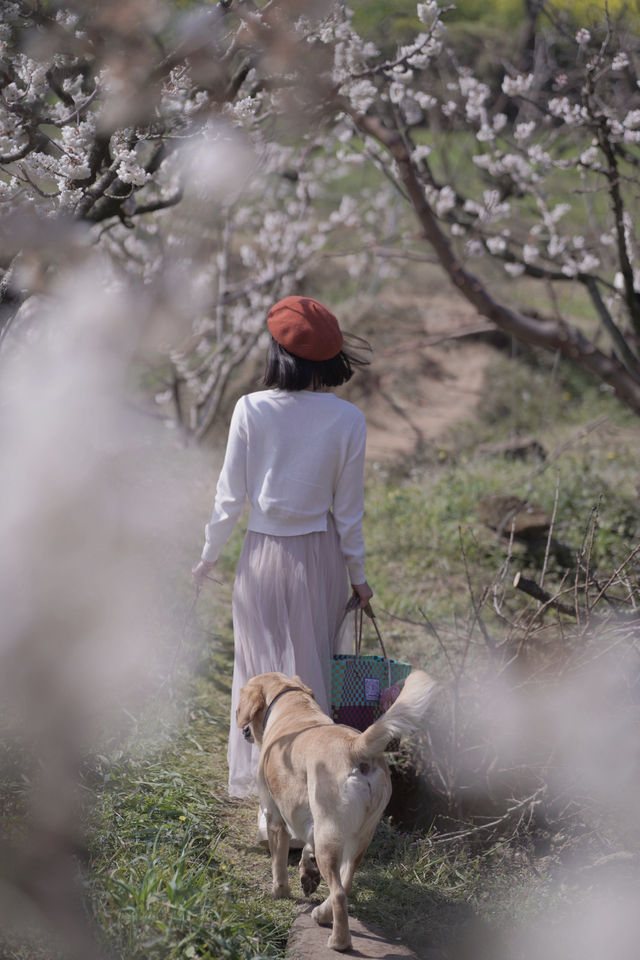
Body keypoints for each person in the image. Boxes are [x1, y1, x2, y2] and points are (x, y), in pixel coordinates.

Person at [192, 295, 373, 803]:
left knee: (256, 671)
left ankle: (263, 796)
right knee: (312, 675)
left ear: (279, 353)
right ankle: (316, 797)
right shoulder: (348, 420)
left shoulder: (250, 409)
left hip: (261, 555)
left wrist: (208, 556)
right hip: (321, 557)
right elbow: (349, 513)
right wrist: (358, 576)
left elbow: (229, 499)